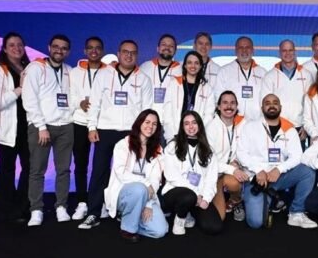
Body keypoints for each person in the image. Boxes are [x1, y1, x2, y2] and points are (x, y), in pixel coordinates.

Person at [78, 40, 153, 229]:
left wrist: (142, 135)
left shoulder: (143, 79)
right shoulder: (104, 74)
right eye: (125, 52)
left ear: (137, 55)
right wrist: (92, 127)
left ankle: (123, 210)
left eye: (133, 52)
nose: (129, 55)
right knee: (99, 172)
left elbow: (146, 110)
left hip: (131, 132)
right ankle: (94, 212)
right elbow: (95, 103)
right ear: (118, 54)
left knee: (128, 174)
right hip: (105, 130)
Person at [237, 94, 317, 229]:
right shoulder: (250, 127)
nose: (271, 105)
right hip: (256, 179)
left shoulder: (290, 129)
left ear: (280, 107)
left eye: (275, 102)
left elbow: (297, 156)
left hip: (278, 177)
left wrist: (279, 169)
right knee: (256, 223)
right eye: (267, 103)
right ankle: (266, 198)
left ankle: (296, 213)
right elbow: (241, 153)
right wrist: (258, 170)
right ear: (262, 108)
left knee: (307, 171)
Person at [22, 34, 75, 226]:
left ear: (68, 52)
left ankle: (61, 206)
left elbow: (72, 98)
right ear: (49, 47)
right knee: (37, 170)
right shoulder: (36, 68)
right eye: (56, 46)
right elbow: (29, 99)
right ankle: (36, 209)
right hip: (41, 127)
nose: (59, 50)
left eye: (64, 48)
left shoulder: (69, 71)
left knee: (64, 170)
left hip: (65, 127)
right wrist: (41, 126)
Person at [96, 109, 167, 241]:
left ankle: (129, 218)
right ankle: (128, 229)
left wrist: (148, 204)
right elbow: (121, 173)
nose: (150, 126)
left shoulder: (158, 149)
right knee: (139, 189)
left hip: (147, 196)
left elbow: (156, 179)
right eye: (147, 122)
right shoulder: (123, 144)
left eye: (154, 124)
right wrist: (145, 183)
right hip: (124, 194)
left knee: (160, 230)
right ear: (139, 123)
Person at [0, 32, 31, 223]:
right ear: (4, 49)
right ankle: (7, 209)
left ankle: (23, 206)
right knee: (7, 169)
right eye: (11, 45)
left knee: (30, 169)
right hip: (8, 129)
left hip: (28, 127)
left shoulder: (29, 68)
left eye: (19, 44)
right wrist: (19, 90)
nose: (16, 48)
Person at [161, 111, 223, 235]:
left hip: (200, 196)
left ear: (199, 125)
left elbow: (211, 179)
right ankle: (180, 219)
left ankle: (189, 211)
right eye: (186, 123)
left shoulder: (208, 150)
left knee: (214, 227)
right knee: (188, 196)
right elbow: (171, 175)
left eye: (194, 123)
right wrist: (195, 194)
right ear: (182, 127)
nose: (191, 127)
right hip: (175, 193)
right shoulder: (172, 146)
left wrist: (206, 199)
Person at [68, 36, 106, 220]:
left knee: (102, 166)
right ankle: (82, 202)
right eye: (90, 47)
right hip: (80, 123)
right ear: (85, 51)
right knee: (80, 164)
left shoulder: (109, 72)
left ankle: (101, 201)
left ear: (102, 51)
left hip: (102, 123)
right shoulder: (74, 72)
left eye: (98, 48)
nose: (94, 51)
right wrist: (79, 103)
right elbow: (68, 95)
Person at [261, 39, 314, 145]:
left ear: (295, 52)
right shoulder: (270, 76)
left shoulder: (306, 75)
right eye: (284, 50)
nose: (288, 53)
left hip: (299, 129)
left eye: (290, 50)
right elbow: (264, 104)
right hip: (277, 127)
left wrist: (306, 127)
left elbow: (311, 104)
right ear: (279, 53)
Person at [206, 91, 247, 221]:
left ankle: (235, 201)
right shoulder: (211, 127)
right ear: (218, 107)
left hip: (231, 172)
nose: (229, 106)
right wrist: (232, 169)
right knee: (219, 218)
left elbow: (246, 150)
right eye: (225, 103)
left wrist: (237, 162)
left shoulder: (243, 124)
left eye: (232, 103)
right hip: (214, 174)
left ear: (237, 106)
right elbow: (210, 162)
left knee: (235, 183)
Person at [162, 51, 216, 141]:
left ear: (200, 66)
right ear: (185, 65)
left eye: (196, 63)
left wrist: (198, 133)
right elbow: (167, 111)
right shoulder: (173, 84)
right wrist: (171, 134)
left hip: (197, 136)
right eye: (189, 62)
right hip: (175, 134)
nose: (193, 66)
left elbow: (209, 115)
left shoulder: (207, 88)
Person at [213, 36, 266, 121]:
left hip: (257, 122)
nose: (244, 50)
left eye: (247, 47)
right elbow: (218, 98)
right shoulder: (224, 71)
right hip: (231, 122)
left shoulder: (263, 73)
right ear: (235, 51)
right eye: (241, 47)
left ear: (253, 50)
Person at [139, 34, 182, 124]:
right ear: (157, 48)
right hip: (149, 122)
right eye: (164, 44)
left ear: (175, 51)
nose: (167, 48)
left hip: (171, 123)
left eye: (171, 46)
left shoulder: (181, 70)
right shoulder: (144, 67)